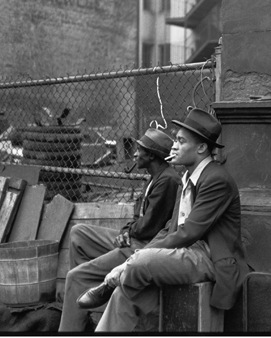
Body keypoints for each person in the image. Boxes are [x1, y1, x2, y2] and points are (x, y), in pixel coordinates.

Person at [77, 108, 250, 332]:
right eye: (175, 140)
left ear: (201, 148)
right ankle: (117, 283)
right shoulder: (187, 176)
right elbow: (171, 228)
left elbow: (189, 232)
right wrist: (143, 251)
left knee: (141, 263)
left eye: (180, 141)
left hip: (209, 258)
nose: (174, 146)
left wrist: (138, 258)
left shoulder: (216, 179)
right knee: (125, 293)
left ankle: (114, 278)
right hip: (185, 253)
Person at [58, 128, 180, 332]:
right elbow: (137, 217)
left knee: (75, 277)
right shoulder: (154, 177)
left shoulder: (168, 180)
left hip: (143, 247)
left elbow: (149, 227)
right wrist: (125, 231)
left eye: (139, 150)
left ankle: (73, 323)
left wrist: (129, 233)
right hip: (134, 238)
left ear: (151, 155)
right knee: (78, 233)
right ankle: (85, 310)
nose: (134, 154)